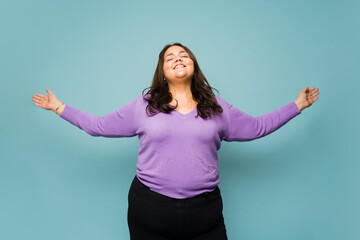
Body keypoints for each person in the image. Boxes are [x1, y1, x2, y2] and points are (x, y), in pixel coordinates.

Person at [32, 42, 319, 240]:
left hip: (204, 213)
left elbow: (256, 127)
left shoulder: (217, 107)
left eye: (183, 54)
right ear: (163, 71)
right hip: (150, 209)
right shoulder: (143, 106)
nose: (178, 58)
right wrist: (59, 107)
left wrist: (296, 105)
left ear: (193, 64)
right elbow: (98, 126)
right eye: (170, 57)